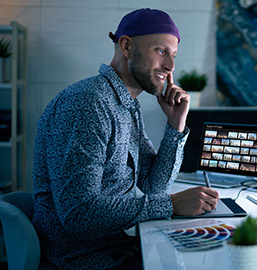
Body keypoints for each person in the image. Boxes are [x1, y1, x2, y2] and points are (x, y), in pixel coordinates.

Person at [32, 8, 219, 269]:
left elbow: (154, 186)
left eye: (173, 55)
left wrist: (175, 126)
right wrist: (171, 205)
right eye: (161, 51)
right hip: (86, 259)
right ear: (127, 46)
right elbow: (79, 214)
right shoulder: (88, 103)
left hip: (118, 246)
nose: (170, 66)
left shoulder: (125, 105)